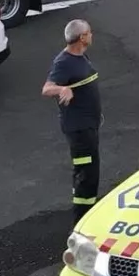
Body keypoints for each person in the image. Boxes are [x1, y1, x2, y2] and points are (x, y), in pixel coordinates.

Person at [42, 19, 103, 223]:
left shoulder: (80, 56)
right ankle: (82, 222)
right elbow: (47, 88)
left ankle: (88, 216)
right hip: (79, 130)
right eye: (89, 32)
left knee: (90, 172)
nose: (92, 35)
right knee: (86, 174)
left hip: (88, 126)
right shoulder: (64, 62)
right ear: (82, 37)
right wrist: (62, 89)